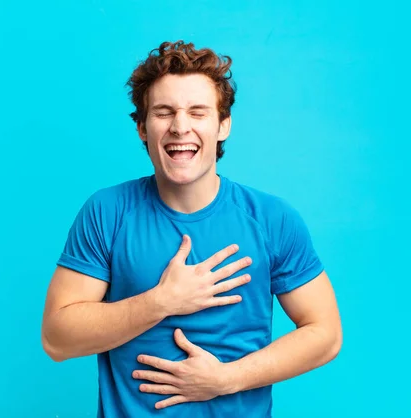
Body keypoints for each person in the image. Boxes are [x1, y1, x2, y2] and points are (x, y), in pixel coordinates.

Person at [41, 40, 342, 418]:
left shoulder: (271, 219)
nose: (180, 127)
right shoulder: (107, 212)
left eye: (197, 112)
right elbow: (57, 338)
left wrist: (226, 379)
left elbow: (325, 333)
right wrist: (160, 302)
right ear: (142, 128)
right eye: (164, 112)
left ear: (223, 125)